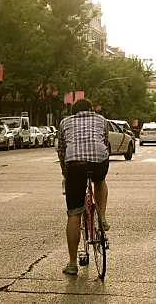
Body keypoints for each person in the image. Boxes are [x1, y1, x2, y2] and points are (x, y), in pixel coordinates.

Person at [57, 98, 110, 276]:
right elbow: (105, 142)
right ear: (91, 109)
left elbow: (62, 151)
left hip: (75, 165)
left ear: (74, 111)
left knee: (74, 213)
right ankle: (101, 217)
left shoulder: (65, 122)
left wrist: (66, 173)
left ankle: (72, 264)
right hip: (98, 163)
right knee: (100, 181)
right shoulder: (101, 120)